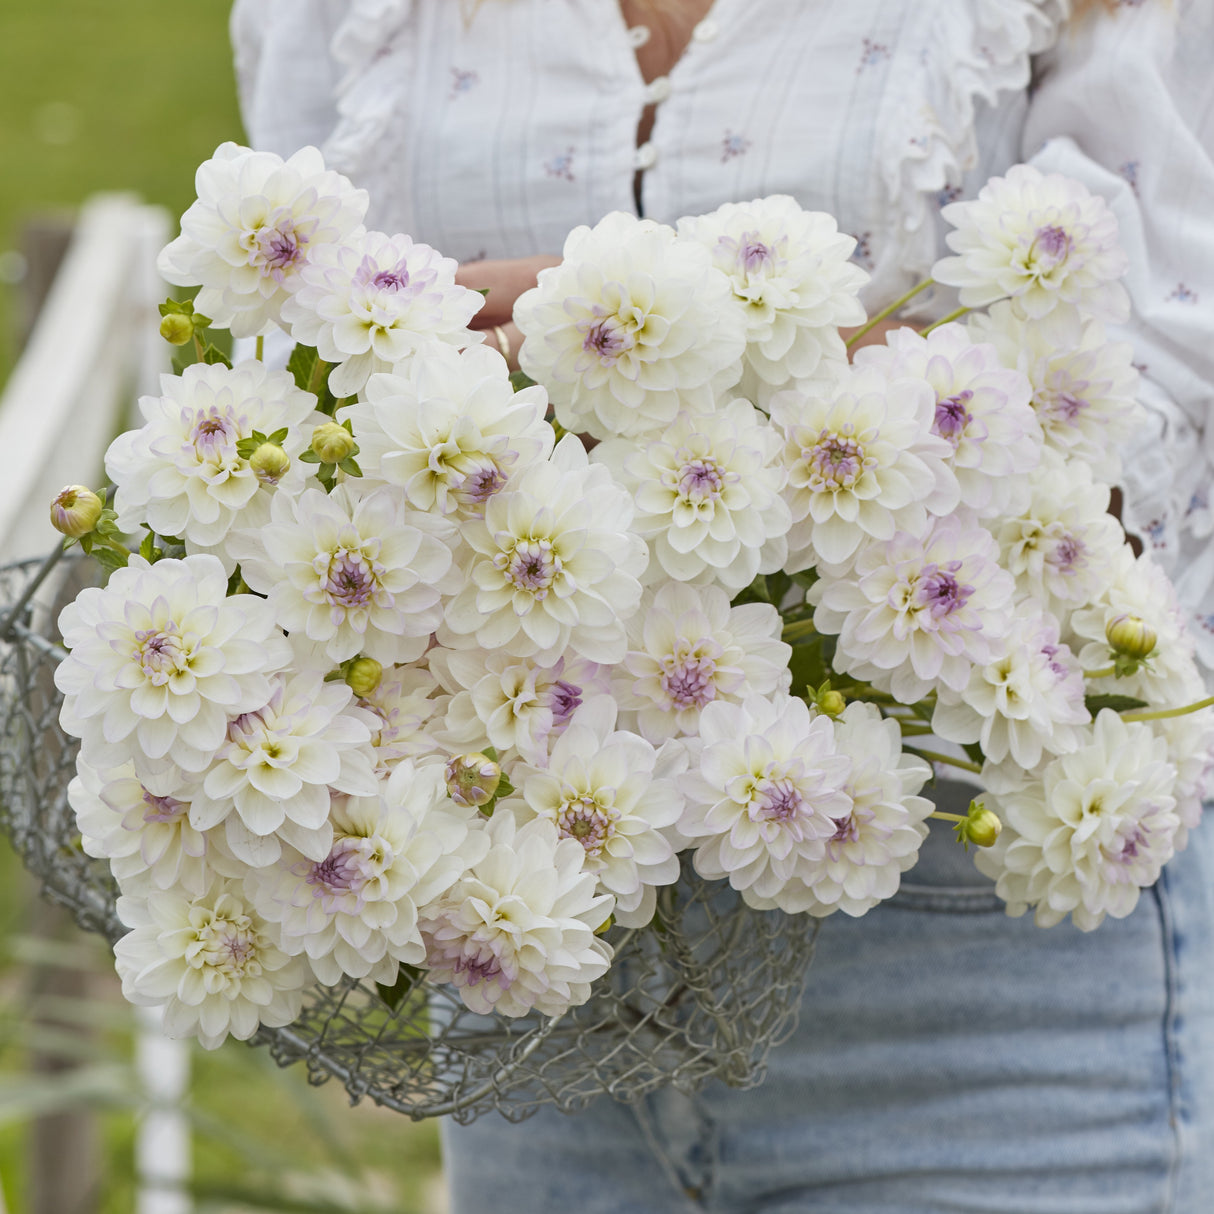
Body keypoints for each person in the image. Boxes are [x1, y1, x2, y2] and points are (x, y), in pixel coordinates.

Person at [229, 1, 1214, 1209]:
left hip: (969, 945)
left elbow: (1143, 409)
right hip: (535, 958)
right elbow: (291, 374)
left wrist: (649, 342)